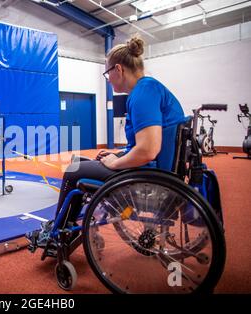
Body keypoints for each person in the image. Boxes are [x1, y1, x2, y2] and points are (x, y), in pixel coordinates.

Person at [27, 36, 186, 247]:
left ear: (118, 69)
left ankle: (58, 233)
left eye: (107, 73)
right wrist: (119, 154)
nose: (108, 79)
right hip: (155, 169)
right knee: (82, 160)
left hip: (151, 175)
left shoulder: (142, 94)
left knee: (74, 169)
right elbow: (145, 145)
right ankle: (65, 225)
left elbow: (148, 150)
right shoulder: (148, 89)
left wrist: (116, 162)